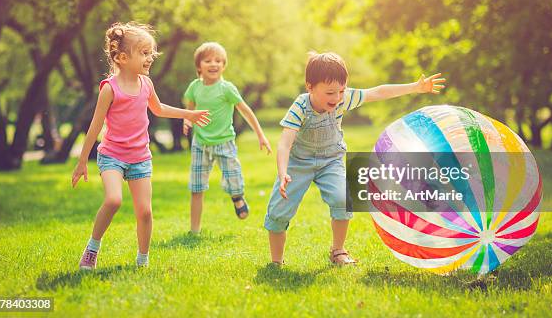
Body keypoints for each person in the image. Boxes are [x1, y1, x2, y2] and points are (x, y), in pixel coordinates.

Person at [264, 52, 445, 265]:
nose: (337, 98)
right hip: (297, 163)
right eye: (330, 92)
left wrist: (415, 87)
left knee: (343, 199)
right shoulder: (300, 107)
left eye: (341, 91)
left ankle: (338, 251)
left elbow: (377, 92)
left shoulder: (344, 98)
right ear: (309, 87)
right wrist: (283, 171)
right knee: (278, 212)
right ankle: (276, 262)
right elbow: (285, 143)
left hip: (330, 160)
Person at [71, 22, 210, 270]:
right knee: (113, 200)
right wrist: (82, 161)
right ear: (123, 58)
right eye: (144, 53)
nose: (150, 58)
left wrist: (188, 114)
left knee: (145, 212)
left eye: (151, 53)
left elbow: (159, 109)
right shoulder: (109, 89)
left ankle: (142, 260)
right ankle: (92, 248)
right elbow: (95, 126)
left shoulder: (146, 85)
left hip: (140, 158)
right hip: (112, 155)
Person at [183, 42, 271, 234]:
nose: (213, 64)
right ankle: (194, 230)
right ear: (199, 66)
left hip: (224, 143)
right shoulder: (194, 87)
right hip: (201, 144)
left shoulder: (227, 89)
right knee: (196, 188)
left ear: (224, 65)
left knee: (234, 180)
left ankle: (237, 196)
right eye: (208, 60)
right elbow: (189, 109)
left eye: (218, 60)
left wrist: (260, 135)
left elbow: (246, 111)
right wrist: (187, 122)